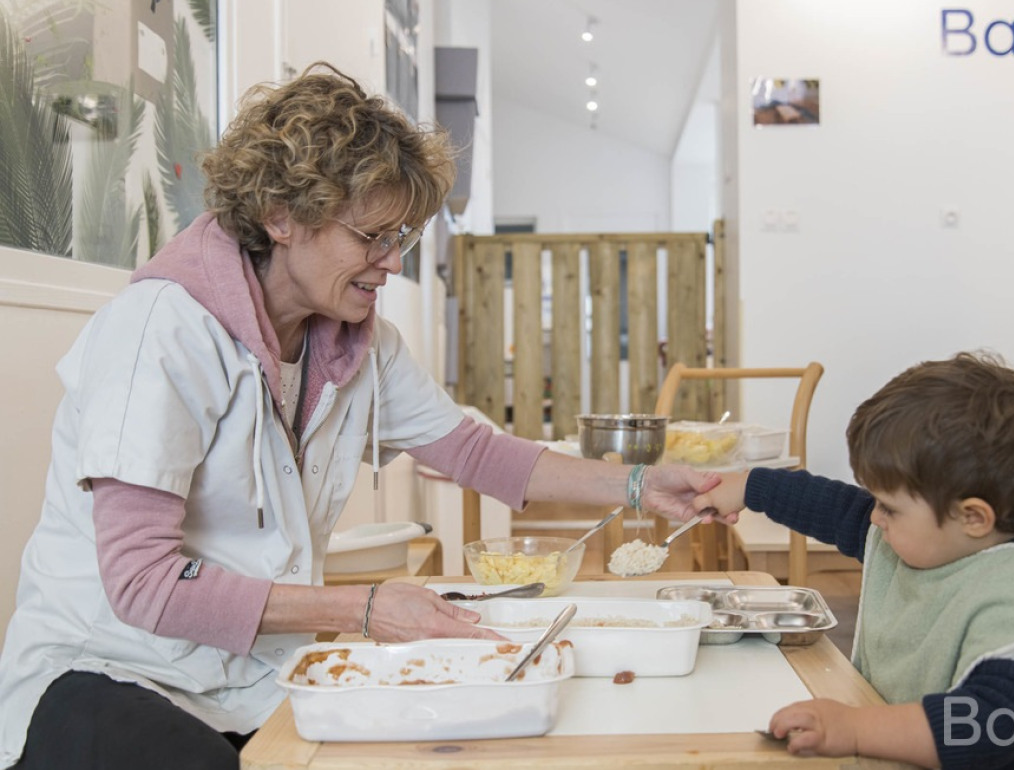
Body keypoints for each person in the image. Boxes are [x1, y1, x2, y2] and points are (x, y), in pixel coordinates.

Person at [0, 63, 735, 770]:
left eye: (402, 238)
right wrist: (366, 607)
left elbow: (474, 454)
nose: (390, 263)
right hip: (105, 672)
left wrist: (640, 487)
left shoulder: (361, 343)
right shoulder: (161, 331)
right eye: (371, 237)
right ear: (280, 216)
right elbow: (141, 584)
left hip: (244, 680)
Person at [693, 352, 1014, 769]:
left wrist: (854, 727)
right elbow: (836, 507)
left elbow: (987, 726)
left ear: (973, 517)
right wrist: (749, 486)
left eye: (889, 507)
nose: (874, 516)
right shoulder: (934, 539)